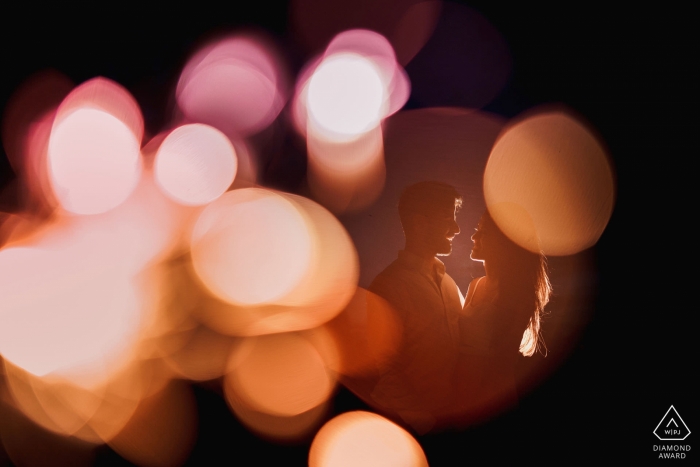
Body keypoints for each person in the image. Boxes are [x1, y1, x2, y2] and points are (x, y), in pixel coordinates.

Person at [367, 181, 464, 433]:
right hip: (404, 428)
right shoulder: (389, 286)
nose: (456, 229)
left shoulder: (450, 285)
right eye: (447, 219)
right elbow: (384, 369)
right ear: (420, 224)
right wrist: (423, 422)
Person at [456, 210, 552, 424]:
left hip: (488, 401)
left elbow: (501, 365)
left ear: (503, 242)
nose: (474, 237)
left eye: (482, 232)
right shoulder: (475, 285)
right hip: (462, 393)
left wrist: (473, 405)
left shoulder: (516, 296)